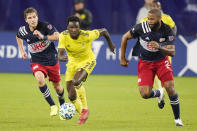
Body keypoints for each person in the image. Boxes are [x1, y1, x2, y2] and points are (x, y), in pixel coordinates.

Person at [120, 9, 183, 126]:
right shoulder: (141, 27)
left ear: (159, 19)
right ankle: (159, 93)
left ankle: (177, 119)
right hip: (145, 63)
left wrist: (159, 47)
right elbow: (125, 37)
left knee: (170, 87)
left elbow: (172, 52)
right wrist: (122, 58)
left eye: (152, 19)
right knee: (144, 94)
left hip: (161, 61)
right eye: (148, 18)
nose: (149, 21)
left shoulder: (167, 30)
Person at [58, 16, 115, 124]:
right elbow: (59, 54)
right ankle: (82, 115)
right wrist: (61, 57)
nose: (74, 30)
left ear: (79, 27)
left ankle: (85, 109)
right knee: (71, 96)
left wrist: (110, 44)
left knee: (76, 81)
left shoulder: (87, 35)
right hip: (72, 63)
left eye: (76, 27)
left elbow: (104, 31)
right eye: (71, 27)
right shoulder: (63, 36)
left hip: (87, 61)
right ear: (67, 28)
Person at [16, 7, 65, 117]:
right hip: (37, 61)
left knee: (57, 86)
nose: (33, 19)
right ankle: (52, 105)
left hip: (52, 60)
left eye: (34, 17)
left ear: (37, 17)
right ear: (26, 20)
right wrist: (22, 50)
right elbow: (18, 36)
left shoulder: (45, 26)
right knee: (40, 79)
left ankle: (62, 105)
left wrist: (44, 37)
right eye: (30, 18)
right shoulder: (23, 30)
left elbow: (58, 36)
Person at [140, 0, 177, 97]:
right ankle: (160, 92)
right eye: (154, 6)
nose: (156, 8)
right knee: (154, 73)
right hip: (152, 52)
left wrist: (170, 40)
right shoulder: (145, 20)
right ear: (150, 8)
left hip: (164, 50)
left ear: (160, 8)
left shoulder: (166, 18)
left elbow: (174, 27)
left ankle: (162, 92)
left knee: (165, 72)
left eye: (158, 6)